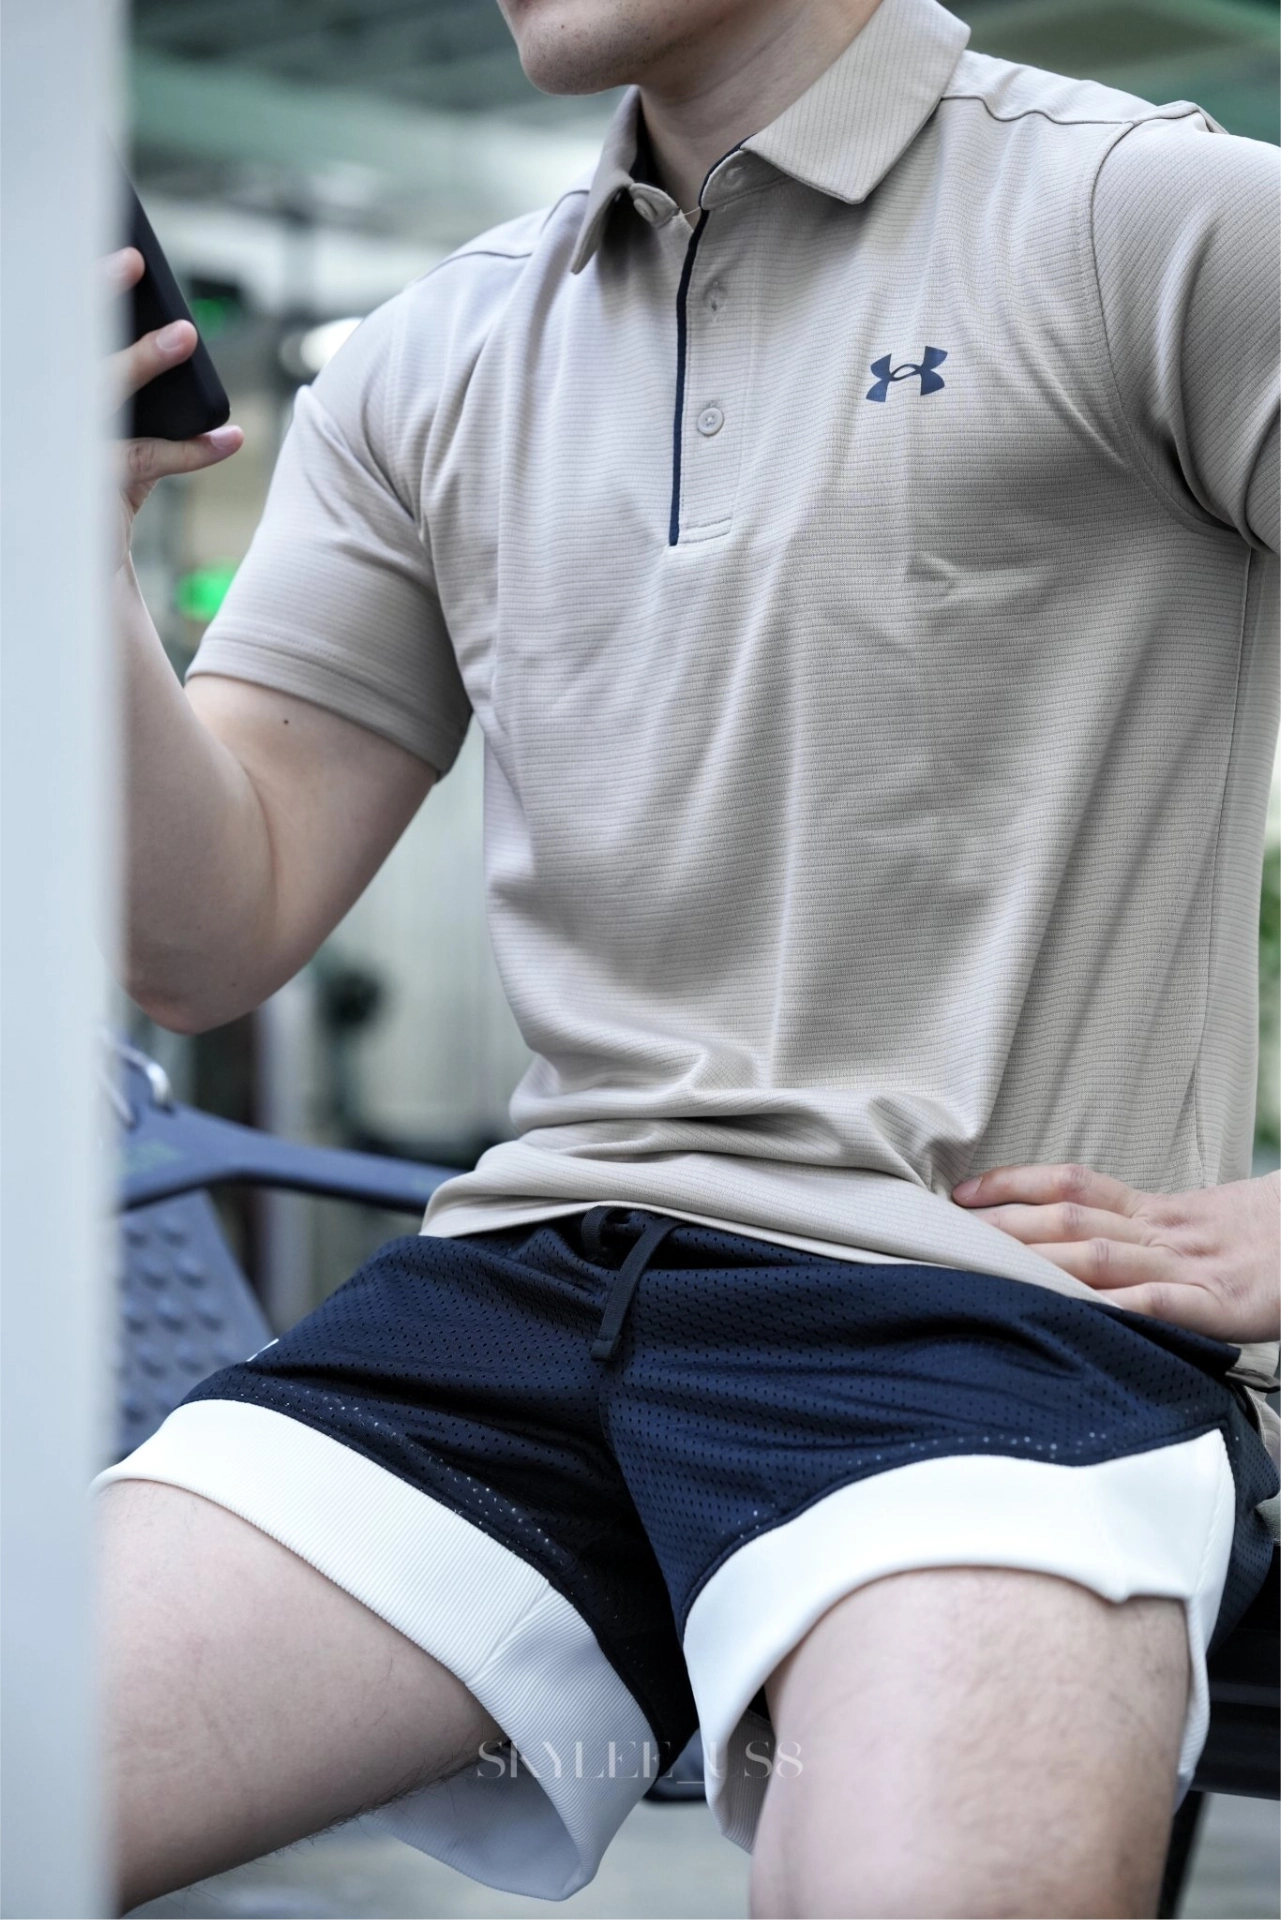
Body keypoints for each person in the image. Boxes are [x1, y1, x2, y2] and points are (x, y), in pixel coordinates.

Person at [99, 0, 1281, 1913]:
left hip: (974, 1317)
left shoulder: (1152, 222)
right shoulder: (427, 353)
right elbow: (206, 935)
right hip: (519, 1295)